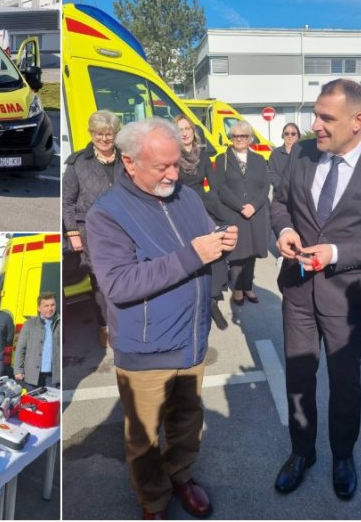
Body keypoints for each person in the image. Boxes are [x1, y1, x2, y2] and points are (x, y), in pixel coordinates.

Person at [85, 117, 238, 519]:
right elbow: (118, 284)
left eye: (176, 162)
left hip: (192, 339)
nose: (174, 173)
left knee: (187, 421)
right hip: (146, 348)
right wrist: (193, 255)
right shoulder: (107, 214)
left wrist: (222, 237)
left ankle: (181, 474)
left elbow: (205, 234)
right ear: (129, 162)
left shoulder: (185, 196)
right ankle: (153, 499)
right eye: (162, 167)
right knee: (144, 439)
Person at [271, 79, 361, 500]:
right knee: (298, 378)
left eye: (326, 118)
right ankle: (302, 452)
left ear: (357, 121)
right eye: (315, 115)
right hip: (297, 292)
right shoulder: (301, 154)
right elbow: (279, 203)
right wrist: (285, 229)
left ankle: (343, 456)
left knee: (345, 384)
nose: (315, 125)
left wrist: (334, 253)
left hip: (345, 298)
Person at [63, 110, 122, 348]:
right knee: (99, 281)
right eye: (99, 134)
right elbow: (67, 202)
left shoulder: (126, 159)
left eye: (109, 134)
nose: (104, 139)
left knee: (123, 278)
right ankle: (104, 326)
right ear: (91, 134)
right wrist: (73, 233)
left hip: (122, 231)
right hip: (90, 232)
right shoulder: (78, 163)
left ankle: (123, 324)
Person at [210, 120, 271, 305]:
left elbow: (265, 186)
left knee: (251, 253)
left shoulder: (259, 159)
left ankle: (248, 287)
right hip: (235, 213)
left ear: (250, 138)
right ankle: (237, 289)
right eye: (235, 136)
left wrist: (253, 205)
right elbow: (221, 187)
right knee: (236, 254)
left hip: (255, 214)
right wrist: (240, 206)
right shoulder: (223, 159)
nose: (239, 139)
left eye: (243, 136)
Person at [176, 114, 228, 329]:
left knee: (215, 253)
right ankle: (194, 304)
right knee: (192, 254)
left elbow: (214, 187)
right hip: (180, 207)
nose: (185, 133)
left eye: (187, 128)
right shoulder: (172, 157)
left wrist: (217, 210)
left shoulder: (203, 156)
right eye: (180, 130)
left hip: (203, 207)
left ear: (193, 131)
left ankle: (213, 299)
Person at [13, 292, 60, 387]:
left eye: (52, 305)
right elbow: (20, 349)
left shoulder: (60, 323)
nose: (50, 309)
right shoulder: (29, 325)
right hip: (33, 375)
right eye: (46, 306)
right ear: (39, 308)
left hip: (54, 376)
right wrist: (18, 370)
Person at [269, 122, 301, 190]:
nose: (290, 136)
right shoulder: (275, 153)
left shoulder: (303, 153)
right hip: (280, 192)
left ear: (298, 136)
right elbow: (271, 173)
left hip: (299, 193)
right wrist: (282, 187)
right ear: (283, 135)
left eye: (293, 134)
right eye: (286, 133)